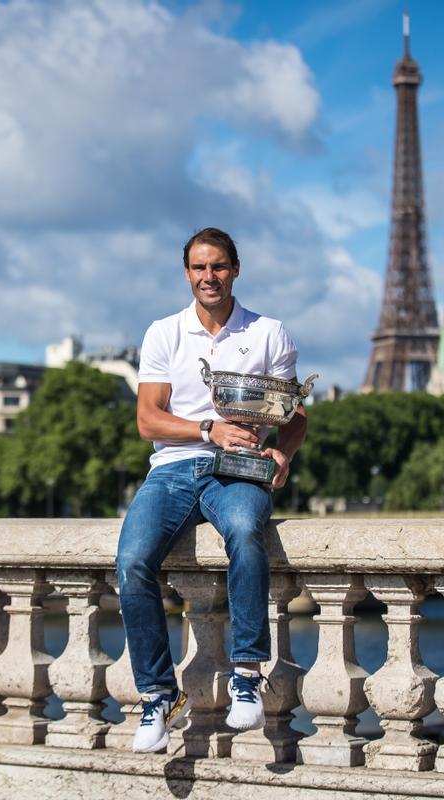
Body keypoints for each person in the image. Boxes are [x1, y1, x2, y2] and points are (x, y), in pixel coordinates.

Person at [117, 227, 308, 753]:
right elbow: (148, 420)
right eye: (199, 268)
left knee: (246, 532)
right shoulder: (164, 332)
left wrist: (282, 454)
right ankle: (159, 695)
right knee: (132, 562)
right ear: (187, 273)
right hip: (175, 467)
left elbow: (295, 417)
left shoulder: (269, 333)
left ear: (235, 269)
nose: (209, 277)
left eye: (218, 267)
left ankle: (247, 671)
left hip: (240, 468)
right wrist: (208, 430)